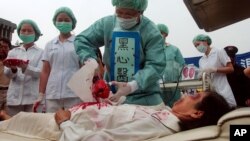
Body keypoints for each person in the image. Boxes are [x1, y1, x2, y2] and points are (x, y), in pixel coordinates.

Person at [0, 91, 231, 141]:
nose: (185, 93)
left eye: (194, 94)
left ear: (196, 112)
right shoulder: (163, 114)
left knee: (17, 120)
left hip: (63, 124)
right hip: (78, 114)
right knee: (12, 118)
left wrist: (65, 122)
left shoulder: (161, 125)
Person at [74, 0, 166, 108]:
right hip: (111, 95)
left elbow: (156, 65)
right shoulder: (107, 24)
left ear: (140, 12)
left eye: (129, 14)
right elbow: (82, 40)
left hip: (144, 95)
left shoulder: (151, 32)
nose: (123, 17)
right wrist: (90, 60)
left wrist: (133, 85)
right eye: (119, 12)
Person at [33, 7, 82, 113]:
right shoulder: (50, 45)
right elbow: (45, 70)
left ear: (72, 22)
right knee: (52, 124)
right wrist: (41, 94)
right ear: (55, 22)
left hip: (73, 93)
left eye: (66, 20)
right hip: (52, 93)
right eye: (60, 20)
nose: (63, 22)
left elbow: (83, 68)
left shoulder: (79, 43)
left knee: (74, 122)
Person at [3, 19, 43, 116]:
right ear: (19, 32)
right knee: (13, 126)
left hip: (32, 98)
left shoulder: (41, 52)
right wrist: (13, 69)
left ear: (36, 33)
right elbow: (7, 74)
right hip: (14, 98)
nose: (26, 33)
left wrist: (25, 67)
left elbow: (41, 72)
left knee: (30, 127)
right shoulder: (13, 52)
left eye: (29, 31)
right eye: (23, 30)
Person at [192, 34, 236, 107]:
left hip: (223, 89)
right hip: (211, 92)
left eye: (198, 44)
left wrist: (215, 69)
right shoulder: (201, 60)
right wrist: (200, 76)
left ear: (205, 41)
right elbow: (202, 78)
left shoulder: (219, 52)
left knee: (227, 108)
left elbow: (231, 69)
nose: (197, 47)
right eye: (195, 46)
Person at [157, 23, 185, 107]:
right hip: (157, 87)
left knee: (176, 108)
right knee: (159, 110)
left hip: (173, 86)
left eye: (161, 32)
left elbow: (182, 66)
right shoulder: (150, 50)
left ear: (166, 34)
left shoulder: (174, 49)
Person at [0, 38, 11, 111]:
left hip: (10, 93)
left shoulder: (13, 61)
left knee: (7, 118)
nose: (3, 49)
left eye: (5, 47)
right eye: (0, 47)